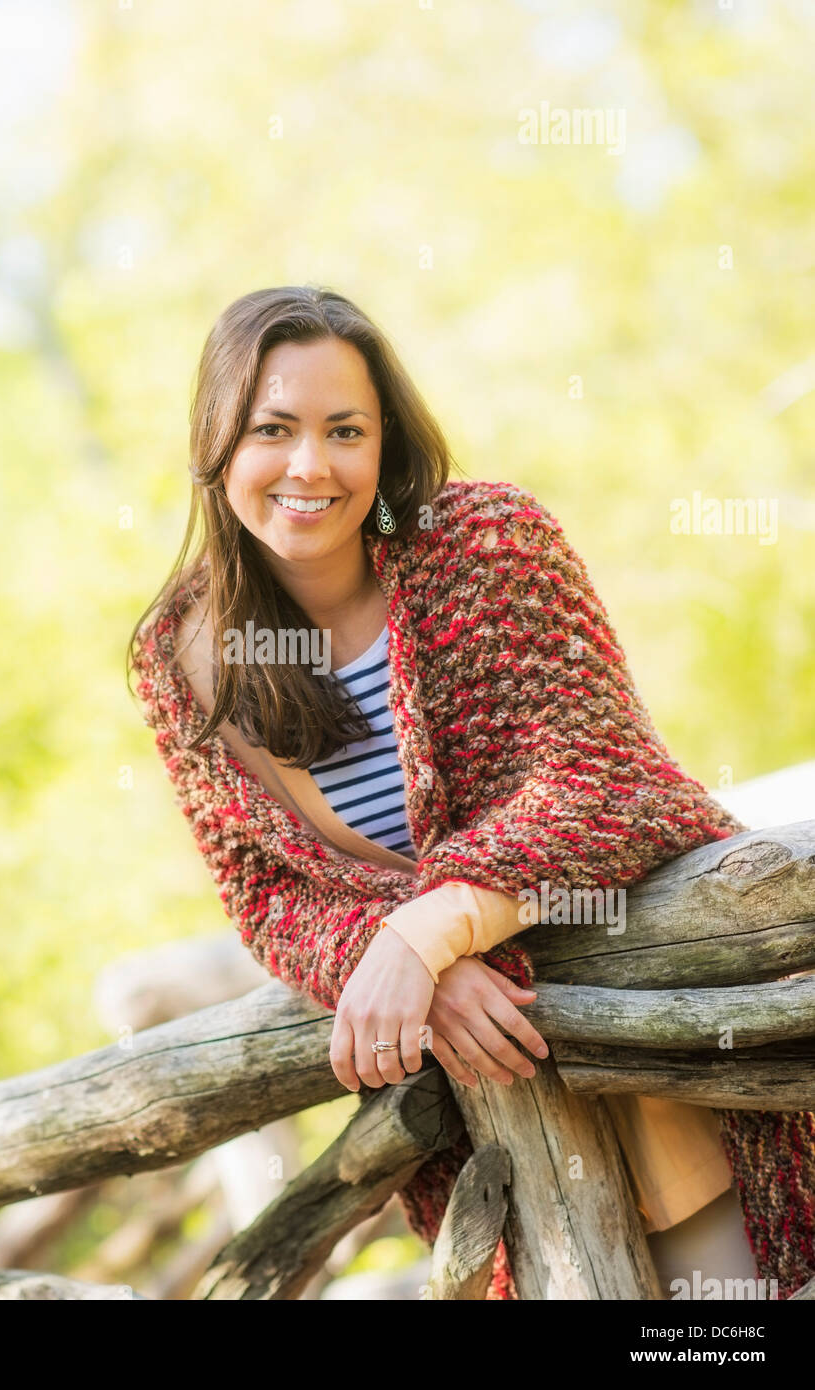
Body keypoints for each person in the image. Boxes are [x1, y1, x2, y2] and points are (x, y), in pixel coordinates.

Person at [128, 284, 814, 1299]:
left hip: (672, 1045)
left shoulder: (483, 542)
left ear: (385, 441)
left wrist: (426, 934)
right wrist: (395, 960)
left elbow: (600, 776)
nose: (308, 465)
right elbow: (268, 896)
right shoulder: (181, 660)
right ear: (217, 444)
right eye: (271, 429)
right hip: (497, 1121)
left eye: (344, 430)